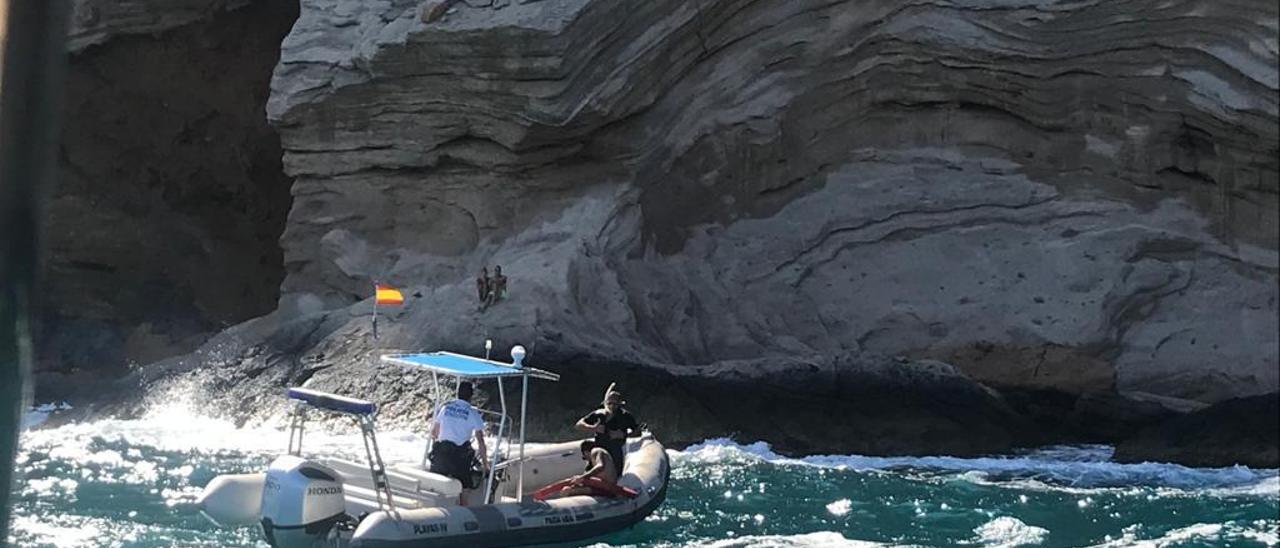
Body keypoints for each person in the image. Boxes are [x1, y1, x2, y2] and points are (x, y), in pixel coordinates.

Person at [428, 382, 487, 498]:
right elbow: (481, 441)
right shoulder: (473, 413)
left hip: (440, 457)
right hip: (458, 460)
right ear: (471, 396)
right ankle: (464, 508)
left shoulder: (445, 408)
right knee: (465, 488)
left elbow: (434, 433)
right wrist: (485, 465)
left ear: (458, 393)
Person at [574, 385, 640, 474]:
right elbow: (578, 425)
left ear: (620, 404)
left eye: (615, 404)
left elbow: (638, 432)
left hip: (615, 449)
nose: (612, 406)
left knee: (615, 471)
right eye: (610, 403)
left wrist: (624, 435)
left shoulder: (626, 416)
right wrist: (593, 428)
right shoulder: (599, 414)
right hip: (599, 447)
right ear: (606, 403)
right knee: (586, 446)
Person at [545, 440, 618, 499]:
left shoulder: (596, 451)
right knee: (569, 487)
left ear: (586, 452)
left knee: (566, 490)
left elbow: (600, 466)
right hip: (604, 488)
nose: (587, 460)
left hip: (606, 489)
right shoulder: (600, 454)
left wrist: (582, 477)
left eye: (585, 457)